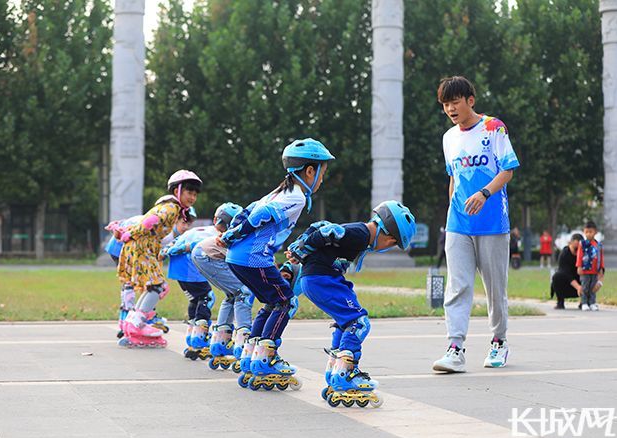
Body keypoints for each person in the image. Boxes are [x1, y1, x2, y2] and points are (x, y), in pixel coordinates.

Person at [218, 138, 335, 390]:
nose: (322, 180)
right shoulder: (296, 197)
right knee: (286, 301)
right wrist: (235, 234)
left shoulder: (278, 191)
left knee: (272, 302)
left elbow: (248, 209)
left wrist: (233, 231)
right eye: (322, 173)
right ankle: (266, 358)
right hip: (253, 257)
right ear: (310, 171)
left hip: (239, 258)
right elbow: (260, 215)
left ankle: (251, 354)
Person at [289, 200, 416, 408]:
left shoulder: (361, 235)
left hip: (319, 279)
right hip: (322, 279)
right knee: (359, 323)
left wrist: (301, 248)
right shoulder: (361, 233)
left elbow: (321, 227)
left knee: (345, 322)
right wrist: (301, 249)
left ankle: (334, 371)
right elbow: (329, 230)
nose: (389, 248)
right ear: (389, 236)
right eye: (393, 244)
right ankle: (345, 373)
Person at [431, 76, 519, 373]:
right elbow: (453, 178)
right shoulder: (448, 138)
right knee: (458, 286)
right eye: (445, 104)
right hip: (458, 223)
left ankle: (499, 341)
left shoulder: (494, 127)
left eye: (455, 102)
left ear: (470, 100)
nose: (450, 109)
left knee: (495, 288)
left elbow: (507, 170)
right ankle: (455, 348)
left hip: (493, 222)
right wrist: (451, 209)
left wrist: (484, 194)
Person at [116, 169, 202, 348]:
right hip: (142, 246)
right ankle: (136, 323)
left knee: (154, 286)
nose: (192, 197)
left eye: (195, 194)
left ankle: (133, 321)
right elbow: (150, 221)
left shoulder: (170, 206)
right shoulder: (172, 207)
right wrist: (131, 233)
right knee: (158, 286)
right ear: (177, 190)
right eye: (189, 192)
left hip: (143, 246)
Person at [191, 202, 255, 371]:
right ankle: (243, 340)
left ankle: (220, 342)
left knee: (232, 294)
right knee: (244, 292)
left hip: (200, 254)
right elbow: (242, 263)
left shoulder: (221, 235)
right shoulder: (231, 240)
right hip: (208, 256)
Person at [162, 209, 219, 360]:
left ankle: (192, 337)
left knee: (195, 300)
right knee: (207, 297)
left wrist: (166, 250)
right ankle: (199, 339)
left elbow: (174, 243)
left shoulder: (196, 230)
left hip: (179, 270)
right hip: (190, 267)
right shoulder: (217, 234)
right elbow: (197, 245)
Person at [576, 221, 605, 311]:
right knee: (585, 287)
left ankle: (592, 302)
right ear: (584, 232)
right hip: (585, 270)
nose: (588, 234)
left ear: (595, 232)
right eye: (586, 232)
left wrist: (601, 268)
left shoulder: (598, 245)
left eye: (590, 232)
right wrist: (579, 266)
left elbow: (601, 257)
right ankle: (584, 302)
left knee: (593, 288)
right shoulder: (582, 244)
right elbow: (579, 255)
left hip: (594, 270)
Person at [550, 233, 584, 309]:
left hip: (581, 282)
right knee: (557, 276)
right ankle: (560, 302)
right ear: (570, 243)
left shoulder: (586, 254)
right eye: (575, 248)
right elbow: (566, 273)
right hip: (567, 284)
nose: (577, 251)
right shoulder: (564, 254)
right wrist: (578, 287)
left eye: (579, 249)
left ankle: (584, 302)